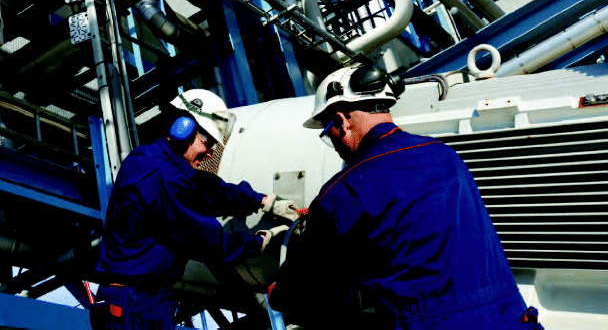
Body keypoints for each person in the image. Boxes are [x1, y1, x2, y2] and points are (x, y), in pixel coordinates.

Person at [269, 65, 543, 329]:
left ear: (341, 120)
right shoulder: (445, 155)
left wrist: (277, 293)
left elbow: (300, 287)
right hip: (508, 316)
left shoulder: (343, 191)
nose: (336, 147)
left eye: (330, 133)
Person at [92, 89, 298, 330]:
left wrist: (262, 200)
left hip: (144, 301)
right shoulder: (163, 177)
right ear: (184, 129)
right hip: (133, 306)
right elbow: (209, 243)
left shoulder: (156, 161)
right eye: (208, 142)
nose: (210, 152)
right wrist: (260, 243)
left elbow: (212, 191)